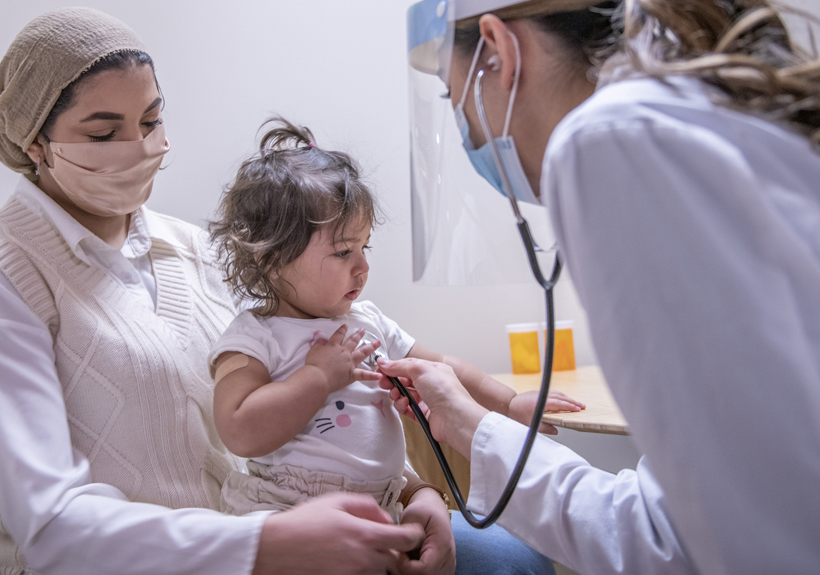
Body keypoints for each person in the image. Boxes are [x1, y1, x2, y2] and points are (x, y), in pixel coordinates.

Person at [379, 0, 820, 574]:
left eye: (457, 98)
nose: (470, 133)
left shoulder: (614, 144)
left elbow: (764, 550)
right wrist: (475, 428)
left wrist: (476, 430)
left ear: (497, 48)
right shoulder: (700, 122)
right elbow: (710, 519)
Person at [0, 7, 547, 575]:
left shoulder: (193, 250)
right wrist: (268, 544)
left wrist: (418, 494)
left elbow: (325, 414)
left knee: (516, 555)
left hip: (270, 537)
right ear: (36, 143)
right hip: (201, 557)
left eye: (151, 120)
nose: (139, 147)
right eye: (104, 133)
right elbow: (52, 528)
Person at [205, 120, 581, 571]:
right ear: (270, 258)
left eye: (365, 247)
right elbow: (239, 429)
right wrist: (318, 377)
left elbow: (442, 368)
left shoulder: (369, 321)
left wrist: (509, 402)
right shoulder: (253, 336)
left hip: (385, 508)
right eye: (343, 252)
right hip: (292, 517)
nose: (363, 266)